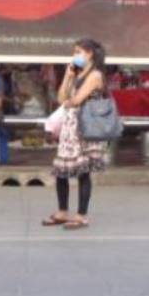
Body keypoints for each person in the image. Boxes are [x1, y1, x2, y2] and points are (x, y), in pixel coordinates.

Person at [43, 39, 109, 230]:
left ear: (89, 54)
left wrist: (68, 101)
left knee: (83, 171)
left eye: (78, 52)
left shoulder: (95, 75)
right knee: (61, 170)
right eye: (74, 52)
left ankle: (81, 215)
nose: (75, 55)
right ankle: (62, 211)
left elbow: (77, 100)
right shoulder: (78, 74)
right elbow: (62, 98)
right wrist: (67, 75)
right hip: (70, 126)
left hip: (85, 127)